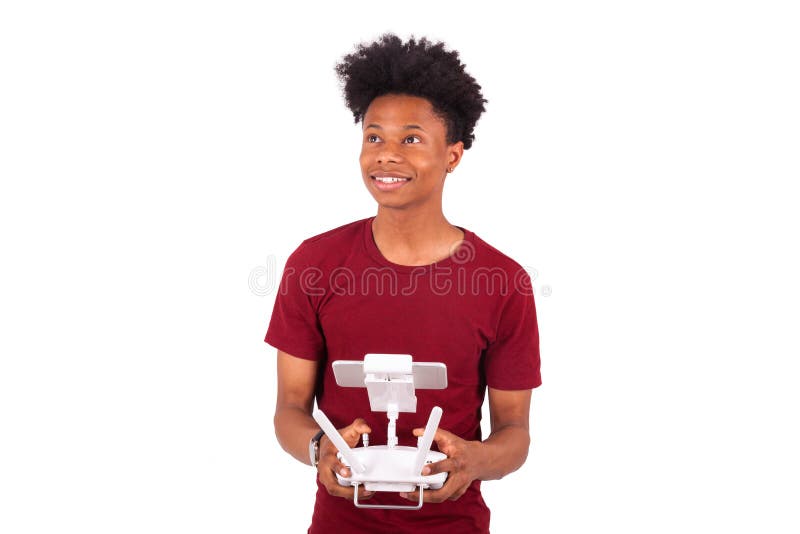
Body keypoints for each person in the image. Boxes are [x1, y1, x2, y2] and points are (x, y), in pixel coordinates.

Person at [265, 33, 541, 533]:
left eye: (410, 139)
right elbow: (289, 408)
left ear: (453, 156)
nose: (386, 155)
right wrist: (317, 448)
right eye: (374, 137)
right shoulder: (315, 264)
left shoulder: (503, 281)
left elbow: (515, 432)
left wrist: (474, 461)